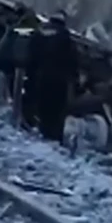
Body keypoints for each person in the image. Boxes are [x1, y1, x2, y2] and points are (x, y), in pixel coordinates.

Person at [31, 9, 79, 142]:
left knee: (43, 111)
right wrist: (75, 80)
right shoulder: (65, 36)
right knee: (57, 114)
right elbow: (72, 61)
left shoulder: (39, 33)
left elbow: (32, 56)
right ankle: (55, 139)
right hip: (59, 82)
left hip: (41, 79)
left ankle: (42, 134)